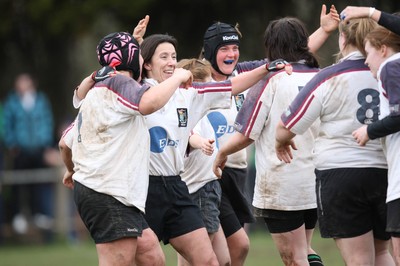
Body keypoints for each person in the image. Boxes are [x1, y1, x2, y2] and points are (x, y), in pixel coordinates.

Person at [74, 32, 291, 265]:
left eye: (174, 57)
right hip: (143, 188)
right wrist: (131, 50)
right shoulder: (134, 90)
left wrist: (266, 69)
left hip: (177, 188)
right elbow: (101, 87)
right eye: (163, 56)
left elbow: (230, 86)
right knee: (148, 260)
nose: (170, 62)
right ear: (146, 63)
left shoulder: (188, 93)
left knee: (209, 261)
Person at [200, 4, 339, 265]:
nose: (232, 54)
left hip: (274, 180)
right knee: (301, 251)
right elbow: (292, 54)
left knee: (292, 257)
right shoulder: (319, 78)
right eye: (224, 49)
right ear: (210, 51)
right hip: (308, 180)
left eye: (234, 48)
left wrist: (222, 153)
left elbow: (290, 56)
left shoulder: (262, 76)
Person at [59, 31, 195, 266]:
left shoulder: (97, 91)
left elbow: (64, 143)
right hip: (109, 193)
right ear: (131, 59)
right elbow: (148, 103)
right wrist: (179, 76)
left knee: (151, 255)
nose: (143, 61)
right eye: (139, 56)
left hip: (104, 191)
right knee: (117, 262)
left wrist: (71, 170)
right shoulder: (119, 83)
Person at [275, 18, 395, 265]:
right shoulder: (388, 71)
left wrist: (281, 142)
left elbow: (285, 127)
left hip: (341, 175)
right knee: (383, 253)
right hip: (386, 173)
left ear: (342, 39)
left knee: (359, 258)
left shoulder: (328, 77)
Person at [351, 26, 400, 266]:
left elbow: (399, 115)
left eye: (368, 52)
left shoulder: (391, 65)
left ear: (383, 49)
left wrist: (369, 130)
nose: (366, 60)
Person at [177, 58, 230, 266]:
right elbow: (191, 136)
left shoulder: (204, 113)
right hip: (199, 191)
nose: (214, 86)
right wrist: (201, 144)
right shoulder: (191, 112)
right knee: (198, 259)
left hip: (209, 187)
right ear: (195, 86)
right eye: (208, 81)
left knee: (223, 260)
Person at [3, 73, 55, 240]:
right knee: (19, 184)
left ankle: (38, 213)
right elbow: (7, 124)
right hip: (21, 149)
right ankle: (18, 215)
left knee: (39, 183)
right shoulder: (12, 102)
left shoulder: (40, 100)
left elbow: (47, 122)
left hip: (38, 148)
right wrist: (11, 144)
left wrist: (46, 144)